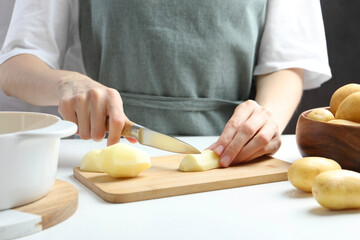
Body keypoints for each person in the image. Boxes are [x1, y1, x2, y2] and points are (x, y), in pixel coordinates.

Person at [0, 0, 331, 167]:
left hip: (233, 164)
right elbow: (15, 66)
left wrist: (265, 118)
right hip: (102, 156)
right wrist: (66, 83)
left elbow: (287, 63)